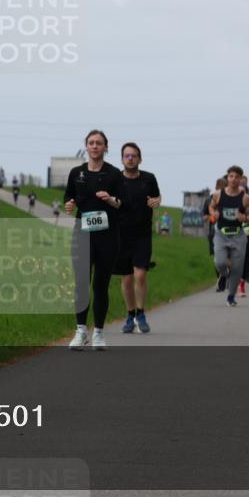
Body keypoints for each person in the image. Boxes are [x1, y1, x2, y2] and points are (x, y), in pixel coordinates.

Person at [65, 130, 123, 351]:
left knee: (100, 285)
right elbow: (69, 198)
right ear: (86, 146)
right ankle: (81, 331)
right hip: (82, 233)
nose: (95, 146)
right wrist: (69, 205)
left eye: (99, 143)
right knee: (81, 283)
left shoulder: (114, 174)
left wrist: (110, 199)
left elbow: (122, 203)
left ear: (105, 147)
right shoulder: (76, 173)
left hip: (108, 236)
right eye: (91, 143)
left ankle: (98, 332)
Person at [112, 142, 161, 334]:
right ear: (122, 159)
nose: (130, 158)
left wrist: (157, 201)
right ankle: (130, 315)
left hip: (142, 234)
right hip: (121, 235)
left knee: (140, 274)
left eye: (134, 155)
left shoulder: (149, 178)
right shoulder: (116, 180)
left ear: (140, 158)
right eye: (127, 155)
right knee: (126, 279)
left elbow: (157, 198)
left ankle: (141, 313)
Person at [209, 165, 249, 306]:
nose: (233, 179)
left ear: (241, 179)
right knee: (220, 262)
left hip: (238, 235)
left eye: (236, 177)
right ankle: (223, 275)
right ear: (227, 178)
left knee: (237, 268)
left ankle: (231, 296)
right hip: (221, 234)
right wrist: (213, 213)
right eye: (231, 176)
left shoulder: (245, 198)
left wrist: (244, 218)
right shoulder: (218, 194)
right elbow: (211, 206)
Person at [206, 177, 227, 284]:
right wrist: (211, 216)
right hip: (213, 231)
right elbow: (204, 215)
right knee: (216, 256)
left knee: (226, 256)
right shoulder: (209, 199)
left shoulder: (230, 199)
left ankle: (225, 276)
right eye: (219, 188)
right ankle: (219, 278)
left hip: (227, 232)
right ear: (216, 188)